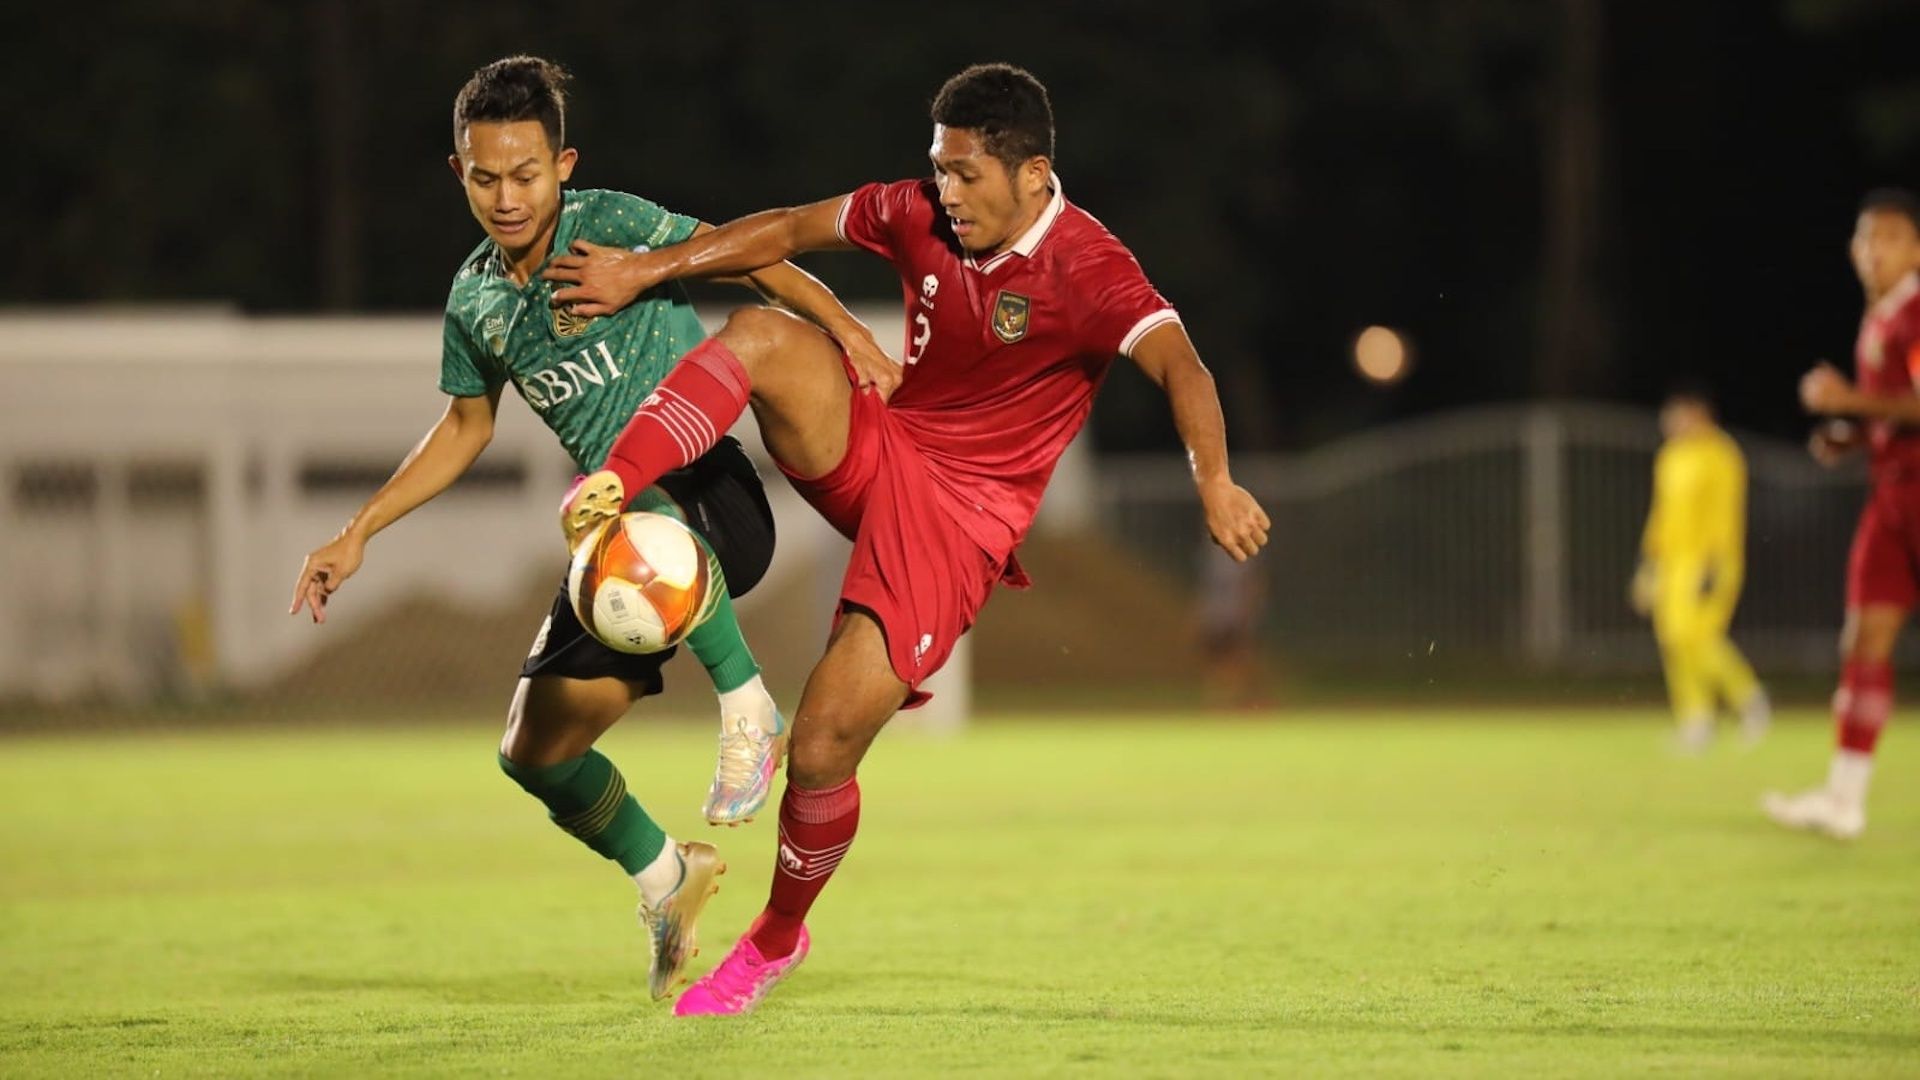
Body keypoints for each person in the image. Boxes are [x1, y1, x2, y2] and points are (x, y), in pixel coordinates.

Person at [542, 61, 1272, 1015]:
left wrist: (1212, 478)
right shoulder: (917, 211)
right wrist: (645, 268)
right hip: (887, 445)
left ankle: (773, 939)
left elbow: (1184, 369)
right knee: (761, 332)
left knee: (822, 744)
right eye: (941, 169)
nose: (948, 193)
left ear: (1035, 176)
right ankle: (614, 485)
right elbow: (786, 229)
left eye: (969, 174)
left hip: (962, 523)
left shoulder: (1090, 268)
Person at [286, 55, 886, 998]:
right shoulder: (476, 299)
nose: (506, 196)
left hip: (706, 499)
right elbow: (465, 426)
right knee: (534, 748)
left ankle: (746, 707)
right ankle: (666, 876)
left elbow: (748, 254)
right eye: (484, 177)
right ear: (458, 172)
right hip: (615, 543)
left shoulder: (610, 223)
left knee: (625, 522)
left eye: (526, 174)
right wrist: (359, 530)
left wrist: (848, 330)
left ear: (564, 164)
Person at [1766, 186, 1920, 840]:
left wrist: (1850, 401)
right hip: (1889, 496)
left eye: (1888, 238)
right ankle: (1844, 801)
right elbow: (1893, 412)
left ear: (1915, 248)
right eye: (1865, 239)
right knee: (1862, 641)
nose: (1873, 251)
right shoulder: (1880, 315)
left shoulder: (1914, 314)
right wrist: (1852, 436)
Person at [1628, 382, 1770, 753]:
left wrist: (1712, 563)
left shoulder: (1720, 454)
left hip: (1710, 562)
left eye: (1677, 415)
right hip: (1673, 563)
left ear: (1699, 415)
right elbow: (1660, 516)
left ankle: (1750, 700)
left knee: (1700, 637)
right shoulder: (1671, 456)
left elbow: (1726, 513)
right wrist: (1649, 567)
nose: (1669, 422)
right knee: (1673, 640)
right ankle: (1695, 719)